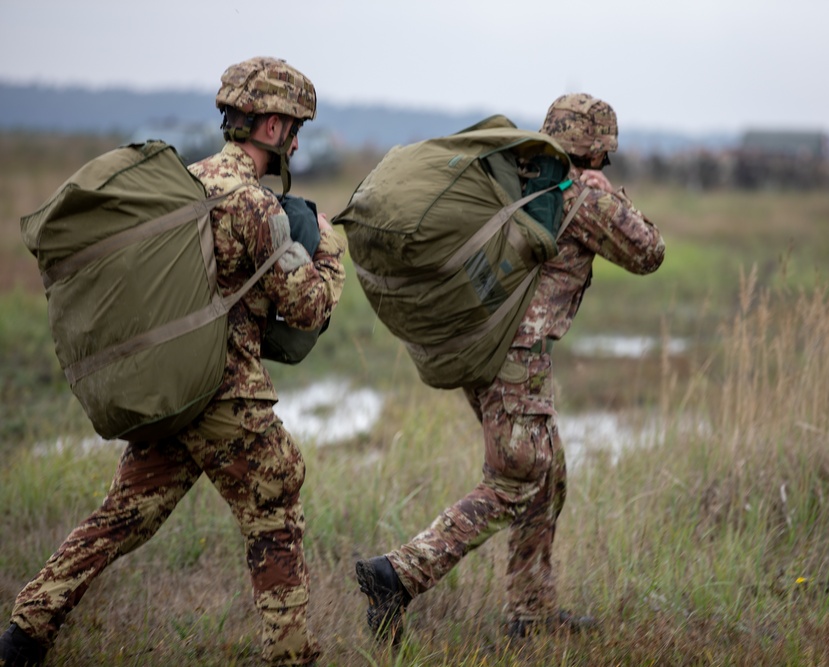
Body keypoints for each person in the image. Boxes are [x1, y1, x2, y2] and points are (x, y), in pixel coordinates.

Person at [0, 57, 345, 667]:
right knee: (276, 506)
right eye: (295, 127)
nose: (296, 140)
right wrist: (328, 249)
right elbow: (309, 308)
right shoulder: (257, 208)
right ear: (270, 128)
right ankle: (292, 657)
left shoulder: (185, 185)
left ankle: (24, 631)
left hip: (173, 390)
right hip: (226, 397)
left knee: (121, 518)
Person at [354, 93, 665, 644]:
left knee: (546, 475)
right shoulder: (583, 198)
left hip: (485, 349)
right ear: (597, 153)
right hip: (515, 361)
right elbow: (648, 252)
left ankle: (532, 610)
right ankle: (399, 575)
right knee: (517, 478)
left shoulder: (519, 179)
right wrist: (612, 195)